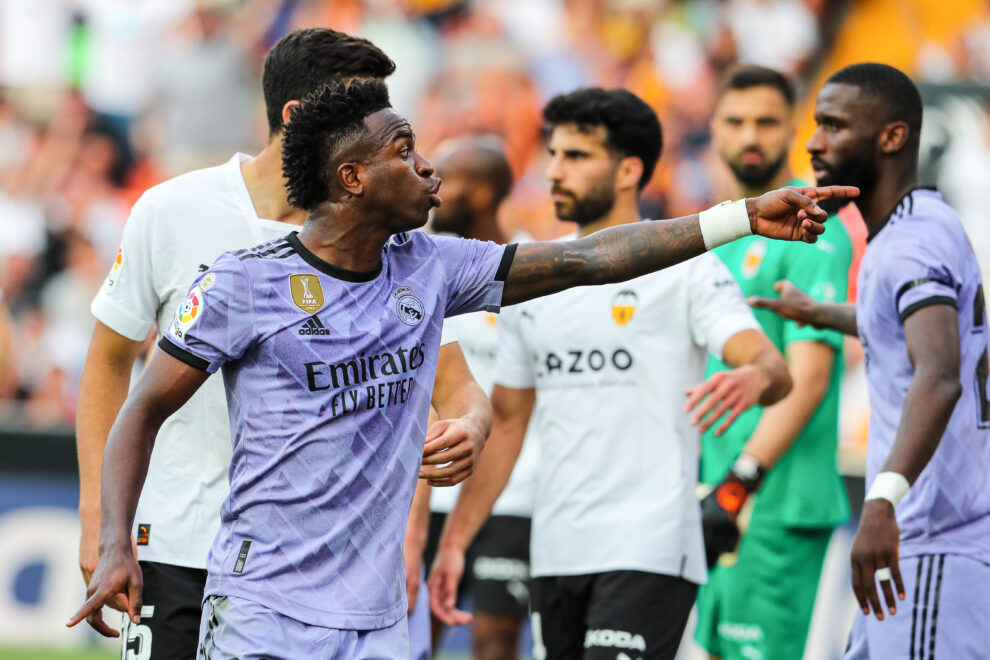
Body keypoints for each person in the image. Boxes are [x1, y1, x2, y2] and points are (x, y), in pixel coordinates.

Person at [68, 78, 854, 659]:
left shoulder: (429, 267)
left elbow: (587, 258)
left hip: (376, 623)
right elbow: (141, 410)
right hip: (263, 612)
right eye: (406, 154)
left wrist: (739, 218)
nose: (432, 170)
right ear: (352, 179)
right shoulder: (244, 282)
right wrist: (112, 543)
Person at [74, 28, 489, 660]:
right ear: (299, 119)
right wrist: (100, 526)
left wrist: (470, 425)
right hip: (179, 542)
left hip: (323, 572)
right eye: (358, 115)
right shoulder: (173, 210)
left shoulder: (381, 239)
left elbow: (454, 387)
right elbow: (110, 365)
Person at [426, 87, 798, 660]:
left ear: (629, 170)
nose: (554, 172)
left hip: (649, 548)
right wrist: (455, 544)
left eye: (575, 157)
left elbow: (773, 368)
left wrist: (754, 379)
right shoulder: (536, 279)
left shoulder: (688, 271)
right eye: (553, 154)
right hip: (556, 549)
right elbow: (507, 422)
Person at [749, 62, 990, 658]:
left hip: (935, 538)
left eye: (833, 125)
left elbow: (939, 374)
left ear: (892, 137)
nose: (814, 141)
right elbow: (920, 331)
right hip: (921, 539)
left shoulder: (910, 242)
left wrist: (881, 501)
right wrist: (824, 314)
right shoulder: (918, 225)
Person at [693, 65, 853, 660]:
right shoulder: (721, 230)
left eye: (766, 121)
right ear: (713, 129)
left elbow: (808, 379)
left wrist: (738, 485)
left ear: (793, 129)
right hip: (720, 496)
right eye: (735, 121)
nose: (750, 135)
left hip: (770, 500)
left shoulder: (807, 230)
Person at [423, 136, 540, 660]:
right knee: (414, 632)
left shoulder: (535, 267)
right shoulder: (416, 267)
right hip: (429, 489)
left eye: (451, 180)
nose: (433, 190)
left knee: (494, 641)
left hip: (511, 494)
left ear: (487, 191)